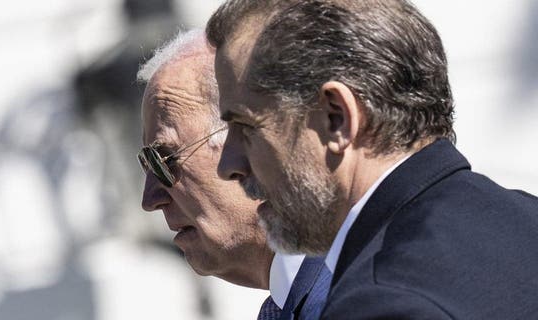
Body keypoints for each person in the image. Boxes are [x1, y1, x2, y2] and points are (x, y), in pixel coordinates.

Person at [206, 0, 538, 319]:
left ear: (337, 119)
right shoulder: (525, 217)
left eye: (245, 126)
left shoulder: (384, 302)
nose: (228, 166)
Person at [138, 29, 333, 319]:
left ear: (252, 141)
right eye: (147, 165)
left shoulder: (358, 298)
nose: (150, 199)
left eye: (163, 159)